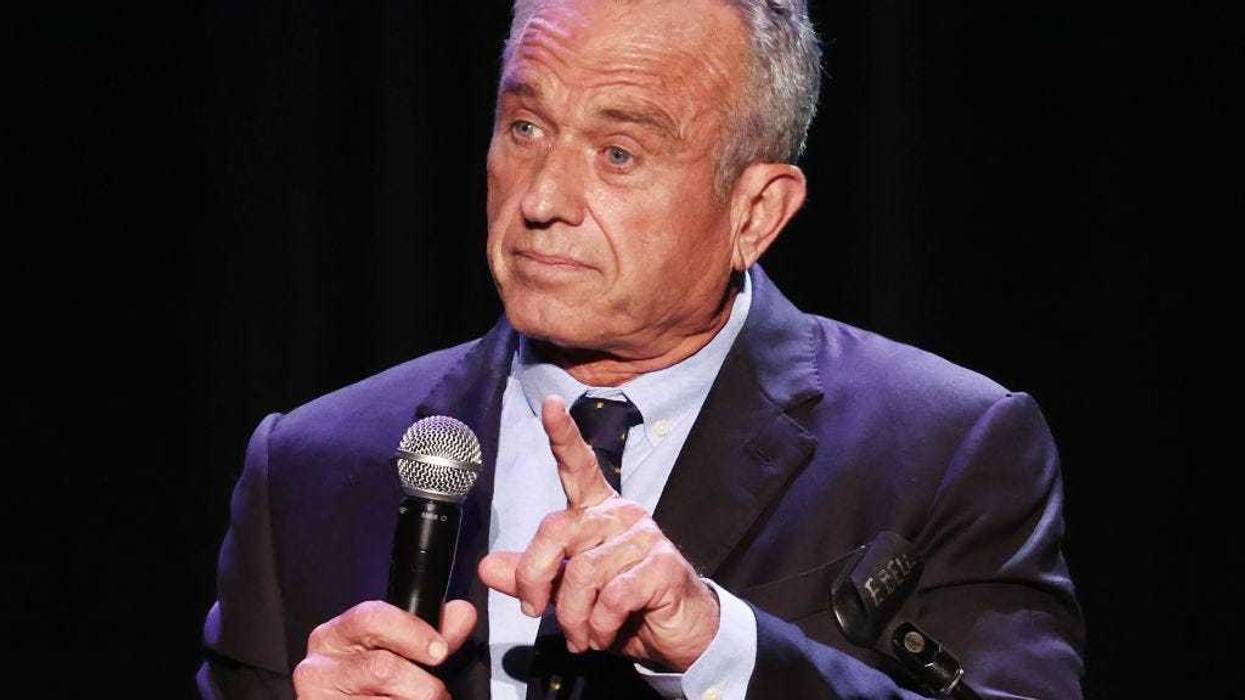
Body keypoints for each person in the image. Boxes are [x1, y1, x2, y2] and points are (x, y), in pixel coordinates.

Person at [199, 0, 1085, 698]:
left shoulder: (944, 448)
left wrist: (717, 649)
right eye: (524, 128)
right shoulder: (311, 464)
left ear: (755, 212)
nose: (541, 197)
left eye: (618, 152)